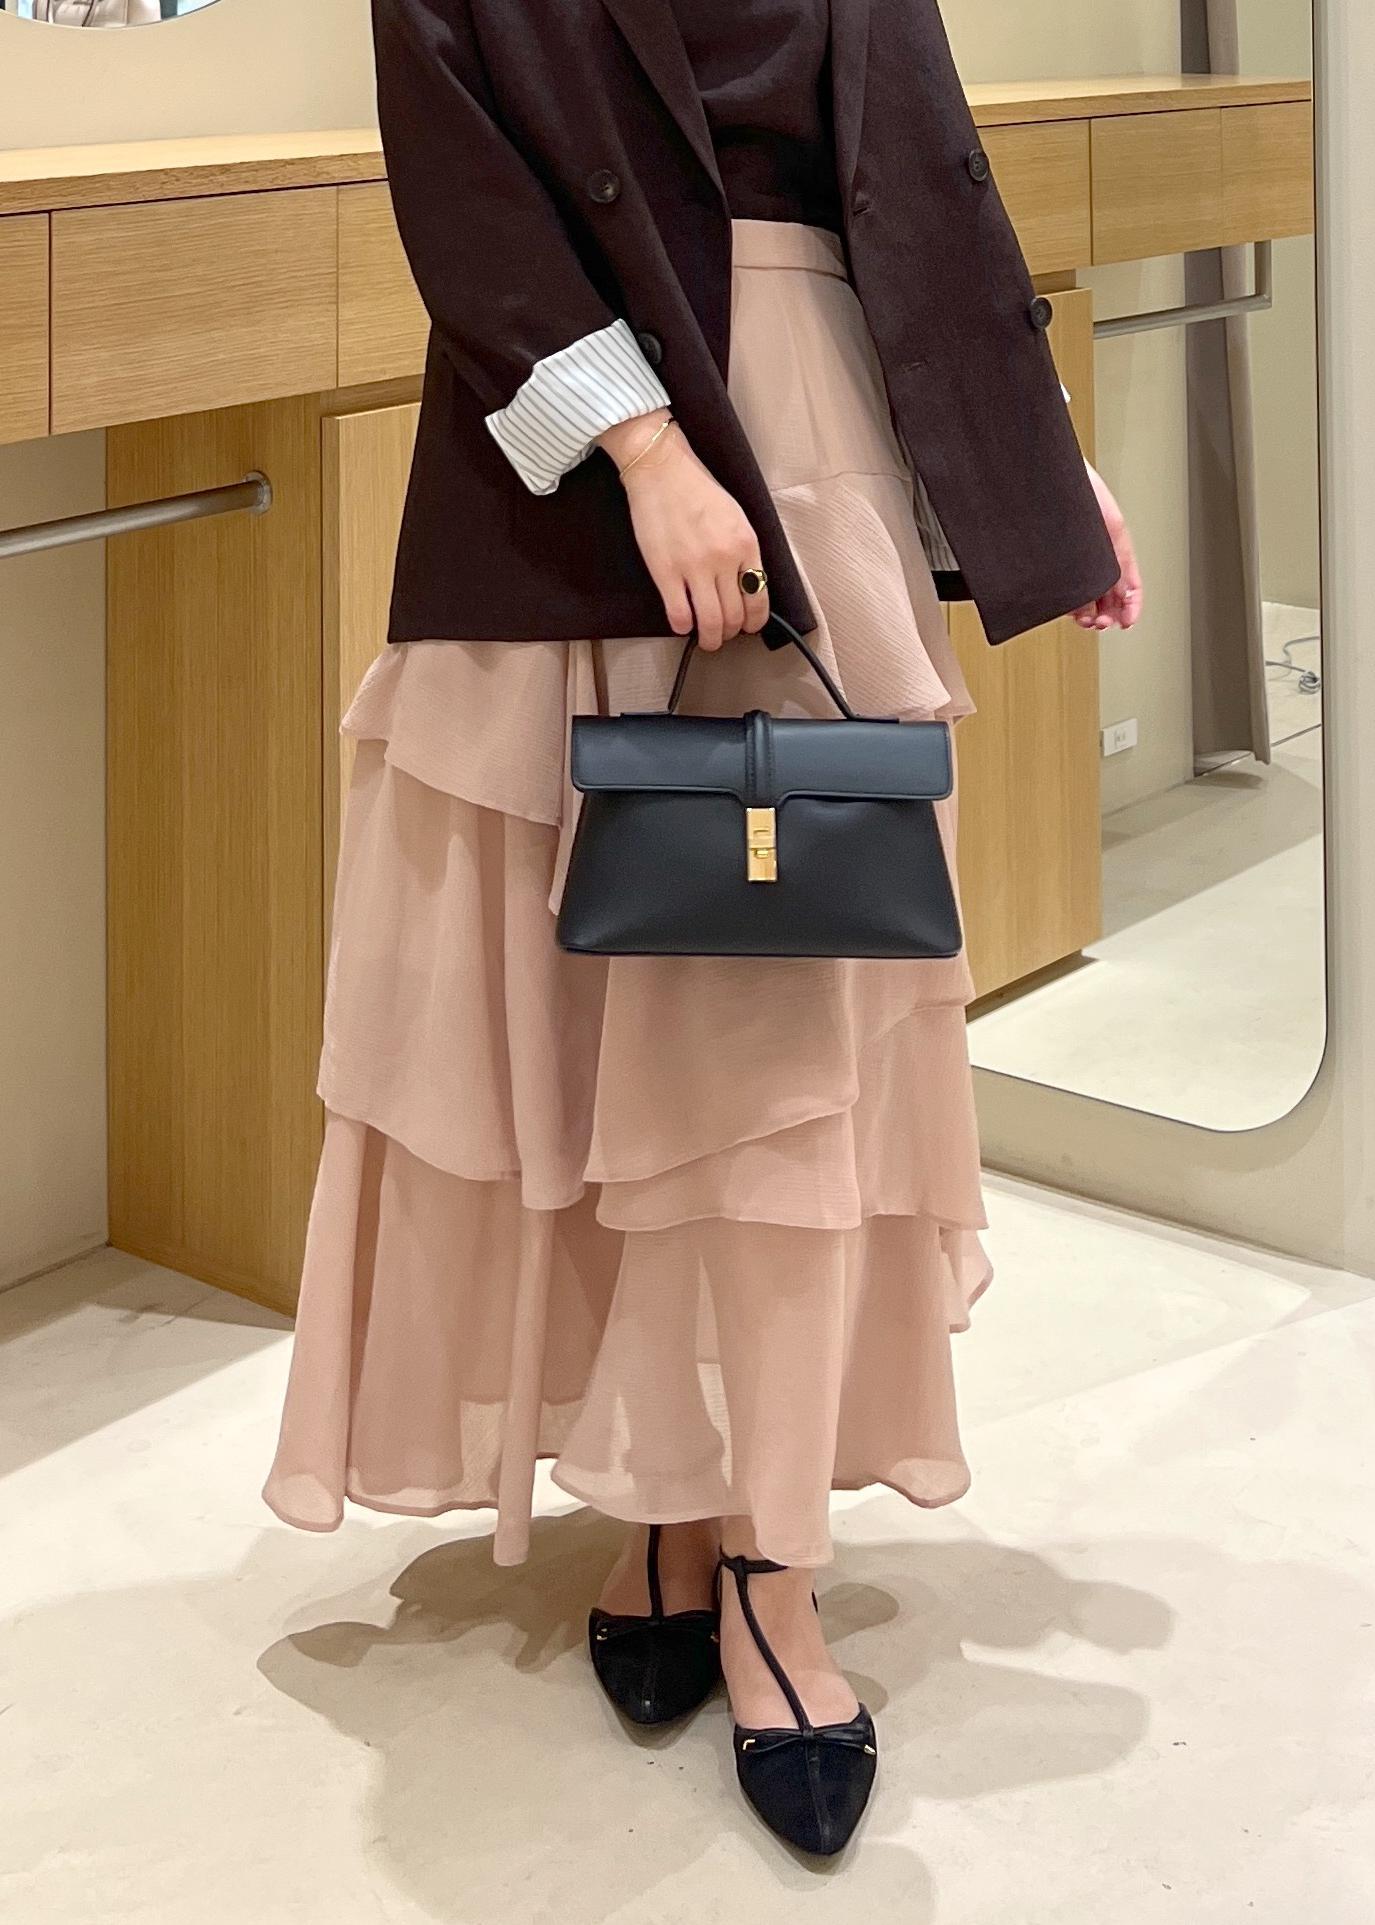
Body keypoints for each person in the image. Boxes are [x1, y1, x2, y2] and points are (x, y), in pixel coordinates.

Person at [264, 0, 1142, 1858]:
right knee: (599, 1029)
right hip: (575, 457)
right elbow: (462, 167)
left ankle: (771, 1573)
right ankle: (666, 1494)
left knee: (774, 1045)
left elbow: (911, 167)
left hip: (812, 426)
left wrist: (1032, 459)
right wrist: (648, 449)